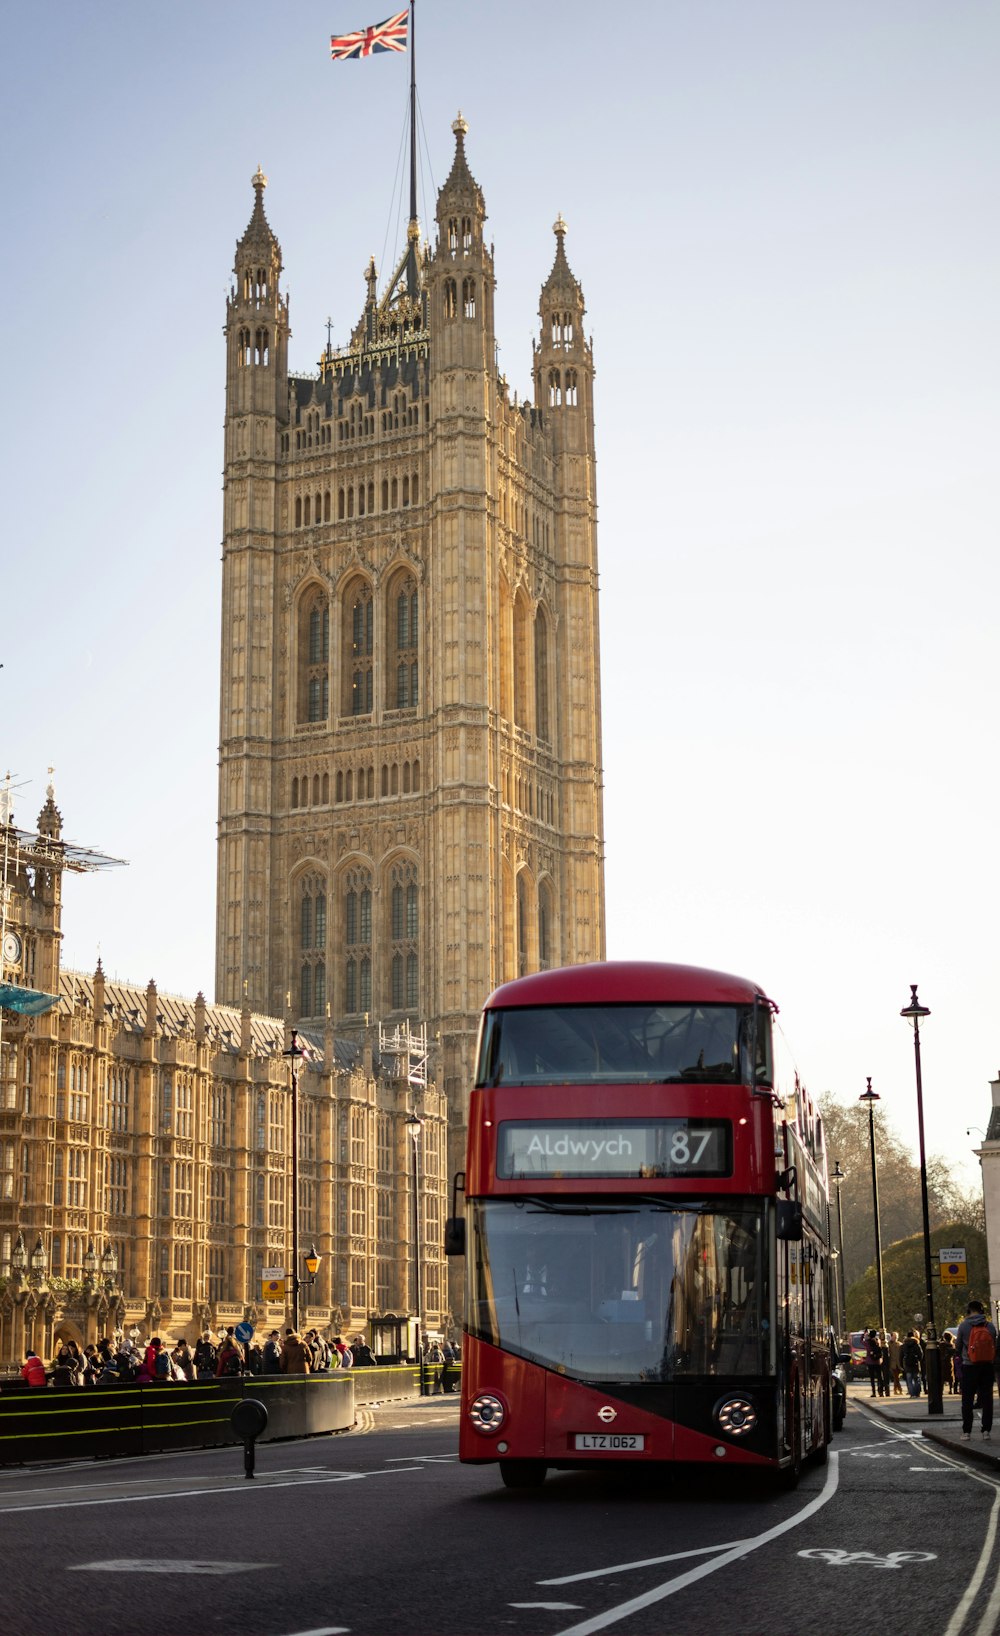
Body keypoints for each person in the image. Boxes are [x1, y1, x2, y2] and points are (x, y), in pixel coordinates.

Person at [956, 1299, 998, 1442]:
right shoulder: (990, 1326)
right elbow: (994, 1344)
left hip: (969, 1366)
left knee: (967, 1399)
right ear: (982, 1311)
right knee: (987, 1399)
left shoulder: (963, 1326)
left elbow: (958, 1346)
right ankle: (986, 1430)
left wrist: (962, 1356)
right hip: (987, 1366)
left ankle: (966, 1432)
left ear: (969, 1311)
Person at [900, 1330, 923, 1397]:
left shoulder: (904, 1345)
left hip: (907, 1364)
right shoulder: (916, 1344)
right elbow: (921, 1354)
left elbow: (901, 1355)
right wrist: (919, 1360)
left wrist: (901, 1365)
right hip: (915, 1364)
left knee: (909, 1380)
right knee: (917, 1379)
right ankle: (917, 1393)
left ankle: (912, 1394)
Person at [864, 1329, 883, 1397]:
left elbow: (862, 1340)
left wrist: (865, 1333)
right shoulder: (878, 1341)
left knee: (872, 1378)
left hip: (870, 1362)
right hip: (878, 1361)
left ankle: (874, 1392)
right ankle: (881, 1392)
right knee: (879, 1377)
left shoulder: (868, 1342)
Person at [887, 1331, 903, 1396]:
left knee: (897, 1377)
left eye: (896, 1336)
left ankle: (895, 1390)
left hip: (899, 1363)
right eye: (894, 1336)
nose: (895, 1337)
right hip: (893, 1363)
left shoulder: (900, 1344)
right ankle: (899, 1389)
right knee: (896, 1377)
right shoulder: (889, 1344)